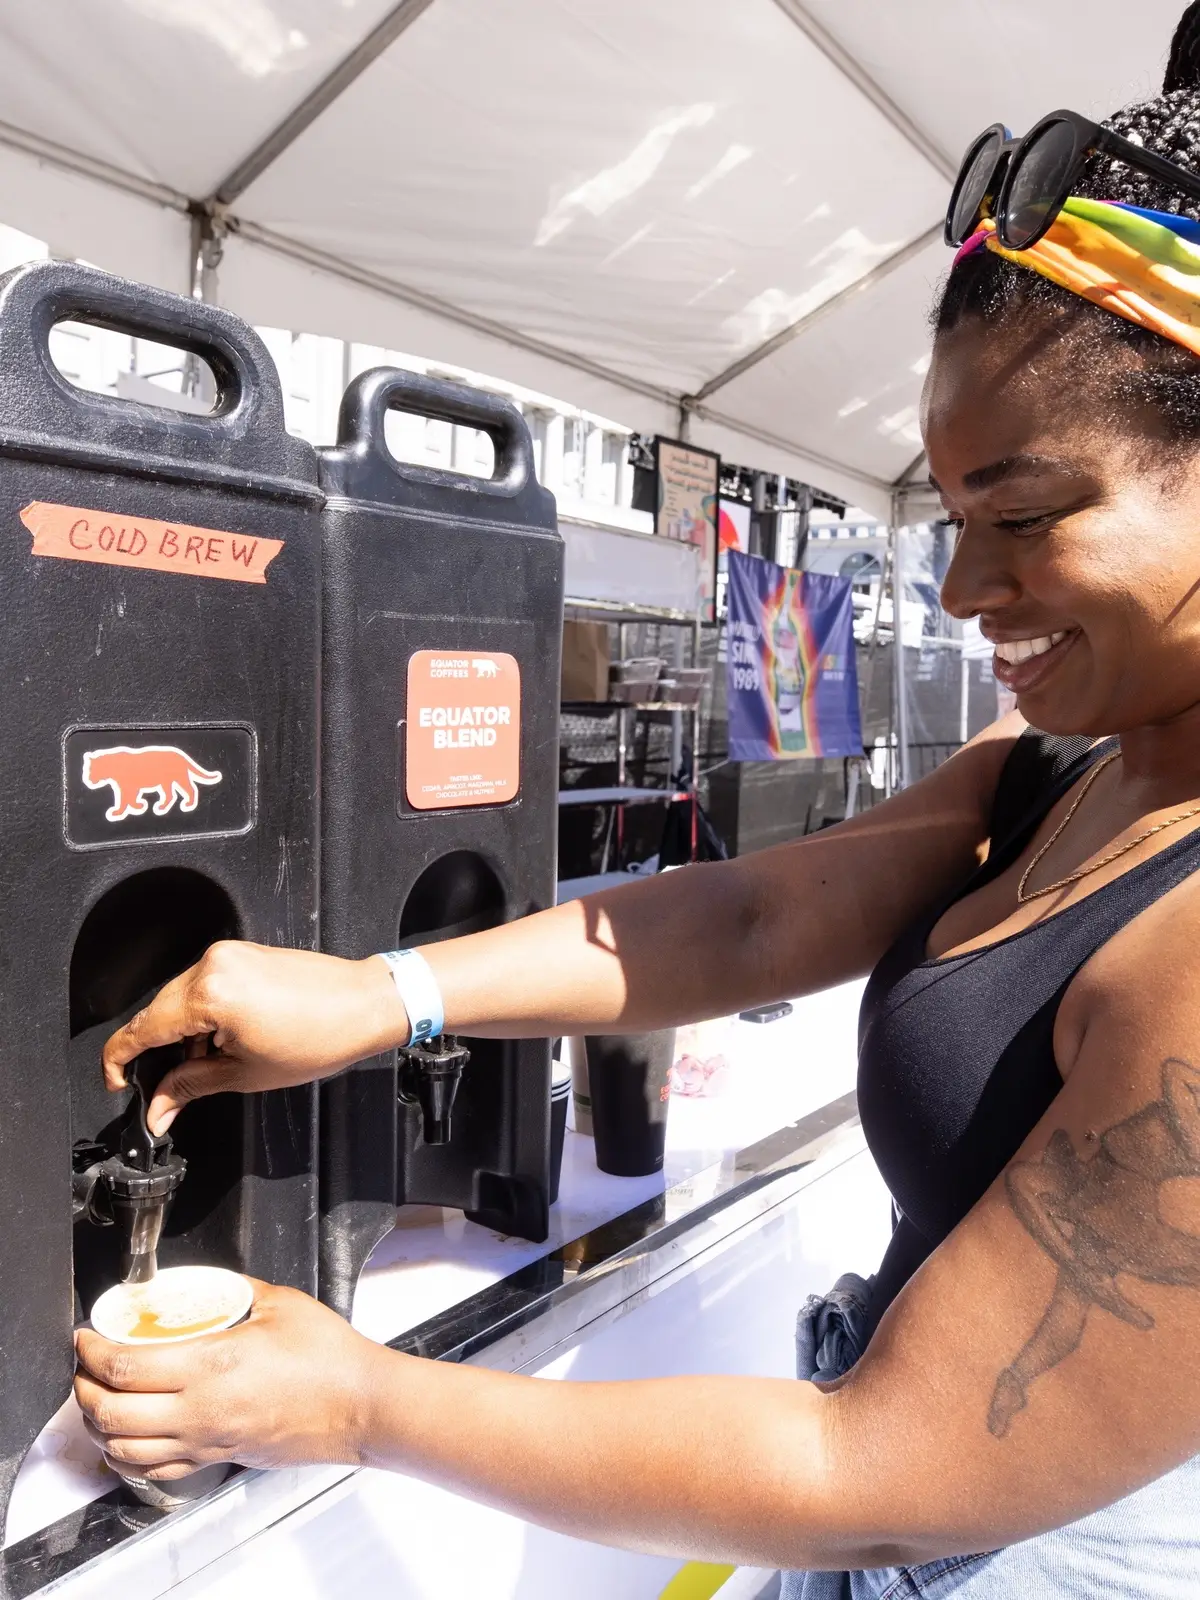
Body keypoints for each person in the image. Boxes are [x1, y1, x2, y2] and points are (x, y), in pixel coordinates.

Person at [75, 9, 1200, 1593]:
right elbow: (755, 910)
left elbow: (884, 1469)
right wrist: (380, 994)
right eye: (950, 512)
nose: (960, 587)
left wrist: (357, 1399)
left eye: (1021, 513)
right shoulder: (1071, 771)